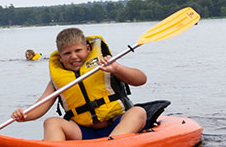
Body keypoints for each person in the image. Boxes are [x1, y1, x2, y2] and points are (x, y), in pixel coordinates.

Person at [10, 27, 147, 141]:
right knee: (51, 122)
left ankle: (111, 146)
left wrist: (117, 69)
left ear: (88, 49)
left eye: (78, 51)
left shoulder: (106, 66)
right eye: (67, 53)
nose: (74, 56)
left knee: (138, 112)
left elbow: (141, 79)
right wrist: (25, 116)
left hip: (116, 126)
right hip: (83, 132)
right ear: (60, 57)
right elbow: (41, 105)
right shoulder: (56, 81)